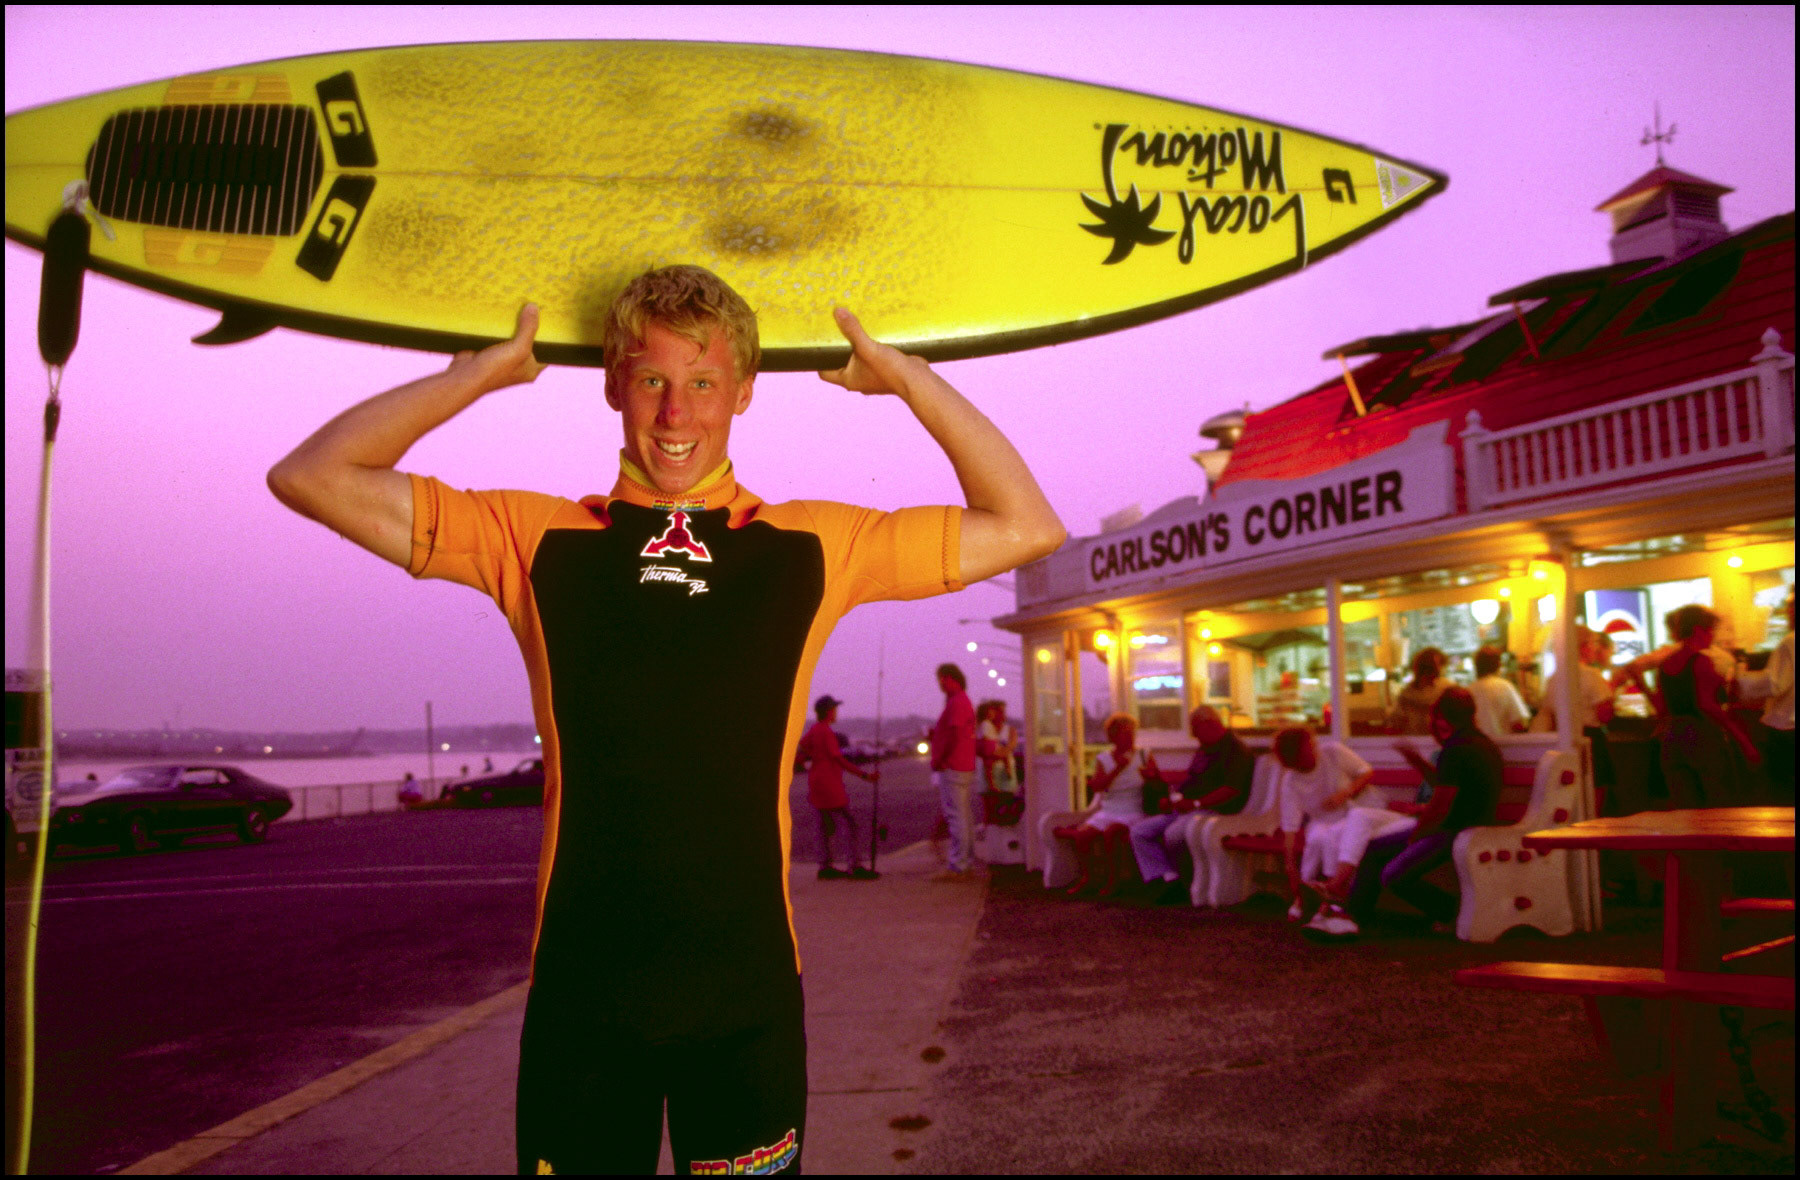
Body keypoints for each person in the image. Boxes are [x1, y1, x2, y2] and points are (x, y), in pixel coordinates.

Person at [266, 266, 1065, 1176]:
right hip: (582, 1007)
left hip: (748, 1004)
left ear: (743, 394)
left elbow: (1027, 524)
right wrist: (472, 377)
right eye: (650, 380)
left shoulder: (810, 544)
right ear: (613, 385)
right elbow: (311, 476)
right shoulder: (537, 539)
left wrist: (908, 379)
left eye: (701, 383)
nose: (676, 414)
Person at [1347, 686, 1503, 933]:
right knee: (1377, 849)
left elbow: (1440, 807)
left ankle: (1449, 910)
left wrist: (1416, 836)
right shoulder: (1479, 743)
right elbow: (1447, 784)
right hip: (1470, 824)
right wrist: (1419, 761)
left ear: (1441, 717)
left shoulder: (1456, 749)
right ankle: (1354, 915)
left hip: (1455, 829)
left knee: (1392, 874)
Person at [1272, 727, 1412, 938]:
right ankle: (1312, 898)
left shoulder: (1333, 752)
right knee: (1320, 836)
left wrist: (1345, 793)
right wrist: (1290, 865)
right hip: (1331, 824)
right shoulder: (1291, 780)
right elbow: (1290, 826)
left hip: (1366, 814)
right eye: (1308, 745)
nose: (1315, 746)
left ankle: (1329, 897)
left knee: (1336, 833)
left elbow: (1366, 772)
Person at [1127, 705, 1255, 904]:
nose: (1195, 737)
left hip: (1216, 811)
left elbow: (1232, 790)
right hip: (1191, 808)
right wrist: (1171, 797)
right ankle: (1169, 879)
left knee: (1174, 834)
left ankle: (1185, 884)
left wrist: (1196, 803)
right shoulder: (1205, 748)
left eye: (1196, 731)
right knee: (1139, 831)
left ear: (1210, 724)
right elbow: (1191, 781)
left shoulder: (1234, 749)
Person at [1640, 604, 1759, 808]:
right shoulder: (1700, 661)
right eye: (1711, 630)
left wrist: (1643, 686)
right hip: (1700, 736)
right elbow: (1708, 706)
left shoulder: (1666, 664)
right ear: (1698, 630)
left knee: (1686, 810)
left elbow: (1661, 708)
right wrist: (1743, 741)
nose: (1712, 636)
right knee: (1718, 804)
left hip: (1671, 739)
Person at [1053, 713, 1157, 897]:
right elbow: (1099, 787)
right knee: (1082, 835)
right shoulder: (1104, 759)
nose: (1131, 737)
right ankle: (1089, 878)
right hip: (1109, 809)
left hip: (1134, 809)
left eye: (1132, 733)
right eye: (1125, 733)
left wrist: (1150, 777)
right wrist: (1118, 769)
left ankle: (1114, 880)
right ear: (1114, 736)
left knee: (1112, 832)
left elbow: (1158, 782)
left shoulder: (1143, 754)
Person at [800, 695, 878, 880]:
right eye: (834, 709)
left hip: (816, 782)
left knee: (824, 826)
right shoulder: (827, 732)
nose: (836, 712)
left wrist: (813, 758)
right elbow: (839, 759)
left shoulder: (814, 730)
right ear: (828, 711)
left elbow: (802, 747)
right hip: (830, 785)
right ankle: (855, 866)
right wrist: (865, 775)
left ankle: (825, 866)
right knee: (849, 824)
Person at [1529, 627, 1617, 791]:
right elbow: (1605, 715)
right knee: (1595, 790)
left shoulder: (1554, 678)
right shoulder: (1591, 675)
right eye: (1593, 643)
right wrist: (1615, 687)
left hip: (1562, 739)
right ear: (1584, 647)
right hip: (1590, 740)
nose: (1595, 649)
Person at [1738, 593, 1794, 802]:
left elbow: (1775, 683)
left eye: (1791, 608)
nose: (1789, 614)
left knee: (1785, 794)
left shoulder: (1791, 642)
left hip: (1787, 728)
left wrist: (1739, 681)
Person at [930, 663, 980, 880]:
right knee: (964, 816)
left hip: (953, 766)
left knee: (956, 816)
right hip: (963, 765)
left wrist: (941, 757)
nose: (940, 684)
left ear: (950, 679)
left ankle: (958, 865)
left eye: (942, 679)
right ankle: (965, 861)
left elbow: (955, 734)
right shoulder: (962, 702)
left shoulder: (957, 702)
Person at [1469, 646, 1529, 740]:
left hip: (1477, 747)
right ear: (1498, 664)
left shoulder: (1469, 690)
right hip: (1504, 747)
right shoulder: (1505, 686)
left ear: (1476, 666)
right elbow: (1519, 723)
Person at [1387, 647, 1449, 735]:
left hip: (1413, 741)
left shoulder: (1407, 693)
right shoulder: (1447, 689)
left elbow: (1396, 722)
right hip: (1439, 741)